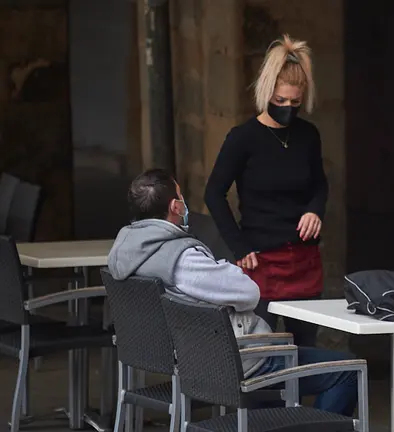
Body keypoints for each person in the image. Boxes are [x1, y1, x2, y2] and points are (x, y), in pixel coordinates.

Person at [107, 169, 357, 416]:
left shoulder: (121, 254)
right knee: (347, 371)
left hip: (188, 359)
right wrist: (223, 266)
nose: (185, 205)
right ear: (175, 206)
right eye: (181, 197)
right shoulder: (182, 260)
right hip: (233, 362)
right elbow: (249, 292)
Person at [204, 34, 327, 347]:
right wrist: (239, 247)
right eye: (281, 101)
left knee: (306, 347)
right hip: (260, 261)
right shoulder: (243, 138)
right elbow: (214, 193)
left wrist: (315, 208)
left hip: (304, 259)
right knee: (260, 349)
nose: (288, 108)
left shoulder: (308, 135)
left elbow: (319, 183)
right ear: (267, 93)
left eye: (295, 103)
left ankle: (300, 398)